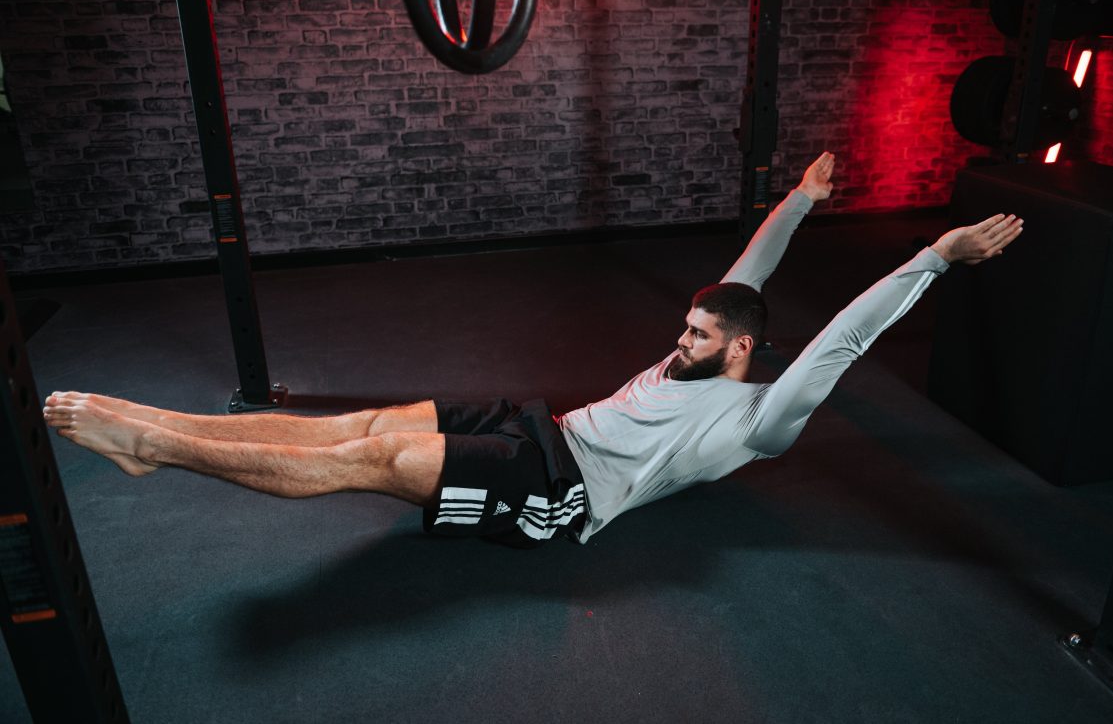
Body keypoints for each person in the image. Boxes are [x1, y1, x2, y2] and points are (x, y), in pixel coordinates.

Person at [44, 152, 1023, 547]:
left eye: (697, 333)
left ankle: (157, 446)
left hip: (563, 500)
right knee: (366, 424)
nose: (678, 338)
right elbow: (751, 276)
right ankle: (159, 428)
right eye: (686, 325)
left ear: (741, 354)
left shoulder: (762, 417)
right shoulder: (721, 336)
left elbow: (841, 343)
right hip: (540, 430)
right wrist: (804, 201)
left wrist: (933, 256)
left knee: (370, 464)